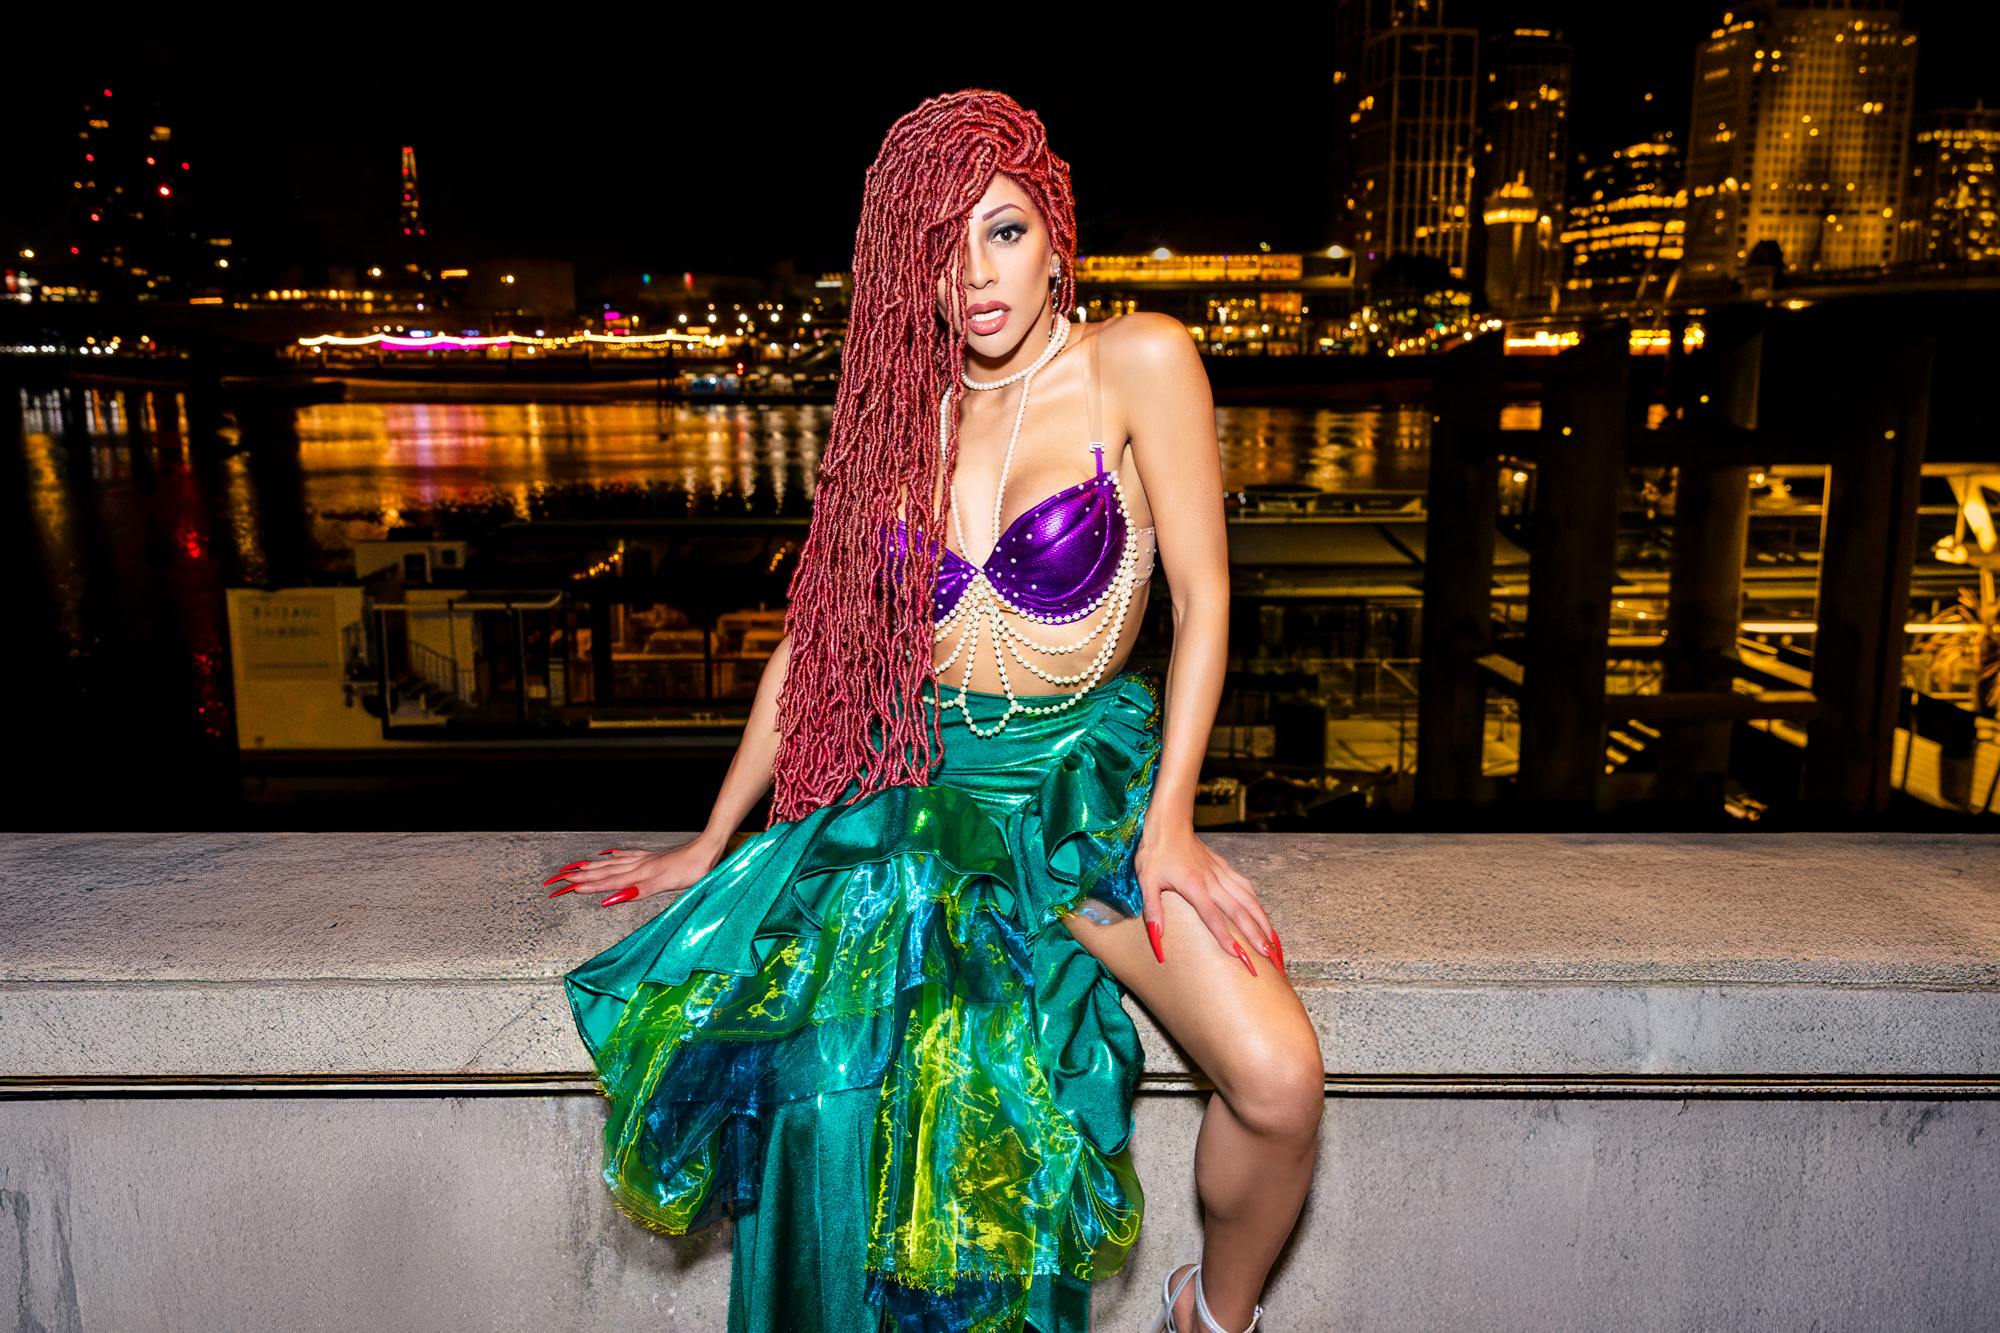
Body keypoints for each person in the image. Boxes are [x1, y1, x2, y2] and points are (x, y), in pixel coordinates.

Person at [550, 90, 1323, 1333]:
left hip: (1078, 800)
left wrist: (1171, 822)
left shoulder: (1136, 360)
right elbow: (812, 644)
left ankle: (1210, 1314)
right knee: (869, 1134)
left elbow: (1206, 596)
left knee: (1278, 1082)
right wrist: (711, 838)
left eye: (1003, 232)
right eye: (940, 246)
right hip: (921, 797)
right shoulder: (896, 417)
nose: (974, 274)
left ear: (1055, 235)